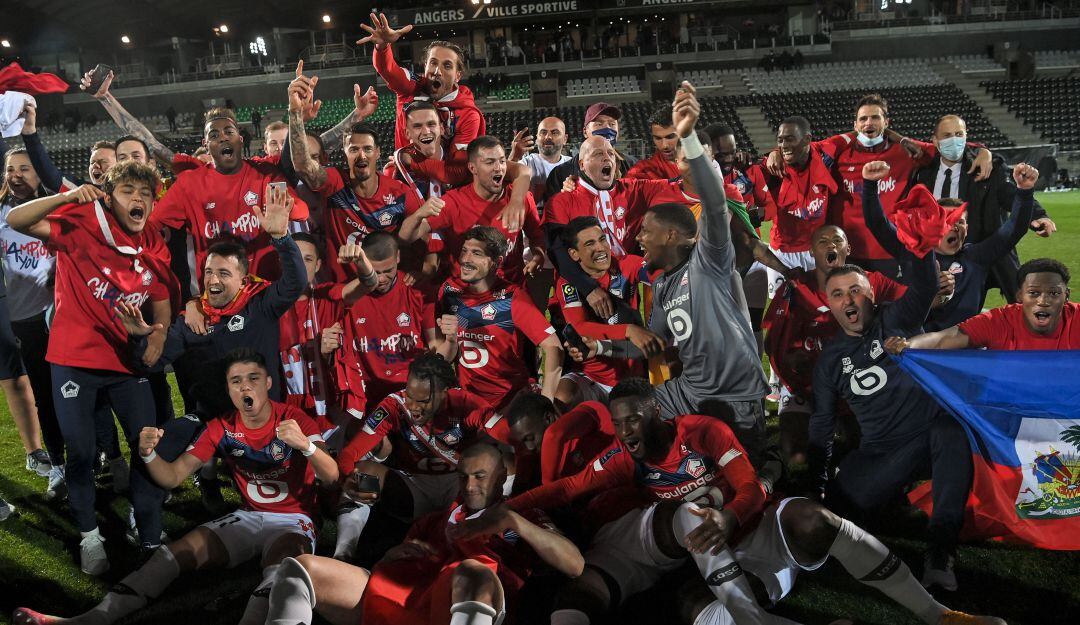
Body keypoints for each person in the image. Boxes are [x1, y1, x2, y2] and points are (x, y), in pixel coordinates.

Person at [507, 378, 1005, 625]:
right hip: (721, 558)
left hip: (760, 528)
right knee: (694, 607)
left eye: (634, 419)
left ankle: (938, 614)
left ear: (655, 411)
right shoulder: (624, 456)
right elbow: (569, 489)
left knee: (816, 519)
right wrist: (509, 508)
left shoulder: (703, 431)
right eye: (619, 424)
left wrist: (730, 514)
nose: (627, 432)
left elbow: (749, 486)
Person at [13, 348, 339, 625]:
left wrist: (306, 447)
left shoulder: (293, 419)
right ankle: (86, 620)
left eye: (253, 378)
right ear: (228, 389)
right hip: (249, 516)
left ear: (268, 383)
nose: (245, 388)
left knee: (282, 574)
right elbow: (172, 477)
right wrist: (148, 453)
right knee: (168, 557)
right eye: (235, 381)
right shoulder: (221, 426)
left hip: (295, 520)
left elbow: (332, 476)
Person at [808, 161, 973, 592]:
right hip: (883, 454)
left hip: (931, 437)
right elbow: (821, 426)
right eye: (839, 293)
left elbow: (922, 285)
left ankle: (940, 550)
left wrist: (921, 250)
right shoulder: (829, 361)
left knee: (951, 429)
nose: (849, 299)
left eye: (857, 291)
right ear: (828, 302)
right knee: (844, 513)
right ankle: (894, 504)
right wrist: (815, 486)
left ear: (871, 294)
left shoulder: (897, 319)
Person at [6, 161, 178, 571]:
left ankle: (145, 521)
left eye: (145, 194)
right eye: (128, 191)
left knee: (146, 446)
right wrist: (65, 197)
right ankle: (90, 537)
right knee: (81, 453)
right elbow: (16, 219)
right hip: (74, 361)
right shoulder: (82, 220)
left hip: (125, 361)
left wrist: (156, 335)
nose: (138, 199)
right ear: (109, 195)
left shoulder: (153, 237)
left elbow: (161, 299)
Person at [264, 442, 584, 625]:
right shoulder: (436, 520)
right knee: (301, 567)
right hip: (408, 600)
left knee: (471, 571)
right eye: (463, 477)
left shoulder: (524, 513)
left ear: (502, 479)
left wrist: (514, 522)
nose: (470, 486)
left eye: (481, 477)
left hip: (462, 607)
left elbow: (574, 565)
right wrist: (391, 556)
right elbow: (387, 574)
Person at [633, 83, 772, 479]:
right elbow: (650, 342)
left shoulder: (709, 261)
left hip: (736, 392)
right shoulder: (661, 288)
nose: (640, 238)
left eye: (647, 231)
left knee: (744, 481)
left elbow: (714, 203)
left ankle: (770, 470)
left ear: (672, 236)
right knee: (629, 414)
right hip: (691, 390)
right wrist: (594, 344)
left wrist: (690, 135)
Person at [118, 183, 304, 404]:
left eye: (224, 273)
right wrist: (139, 337)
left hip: (261, 422)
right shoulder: (193, 318)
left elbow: (296, 282)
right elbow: (149, 362)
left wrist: (282, 238)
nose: (213, 280)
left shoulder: (260, 304)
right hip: (213, 426)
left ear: (244, 281)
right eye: (208, 272)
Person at [330, 353, 507, 560]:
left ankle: (493, 546)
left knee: (506, 465)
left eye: (423, 400)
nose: (413, 406)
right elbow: (350, 453)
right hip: (412, 487)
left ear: (445, 392)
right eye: (410, 396)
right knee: (363, 475)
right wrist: (347, 479)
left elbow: (509, 435)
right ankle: (343, 554)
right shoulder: (394, 406)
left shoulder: (467, 404)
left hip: (459, 486)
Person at [764, 224, 907, 462]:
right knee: (796, 454)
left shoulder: (870, 282)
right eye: (823, 242)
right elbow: (771, 341)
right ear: (811, 252)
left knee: (864, 448)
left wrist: (940, 291)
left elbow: (913, 302)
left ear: (848, 249)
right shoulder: (796, 287)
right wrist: (789, 362)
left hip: (855, 383)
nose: (831, 245)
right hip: (806, 387)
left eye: (837, 241)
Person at [149, 107, 309, 283]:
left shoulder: (265, 173)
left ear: (240, 140)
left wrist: (286, 209)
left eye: (229, 132)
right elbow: (150, 227)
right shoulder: (189, 183)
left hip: (264, 290)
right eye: (214, 135)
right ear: (205, 145)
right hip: (217, 294)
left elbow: (301, 213)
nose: (223, 137)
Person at [913, 114, 1055, 303]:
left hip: (992, 250)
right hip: (949, 257)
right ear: (935, 141)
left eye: (958, 134)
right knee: (955, 311)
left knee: (1023, 304)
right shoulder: (923, 175)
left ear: (966, 137)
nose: (954, 140)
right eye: (947, 135)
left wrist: (1038, 215)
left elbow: (1009, 193)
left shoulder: (986, 167)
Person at [543, 136, 682, 322]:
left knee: (630, 344)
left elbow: (678, 186)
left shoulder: (632, 190)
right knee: (580, 346)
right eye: (598, 154)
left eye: (610, 153)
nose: (607, 157)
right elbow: (557, 250)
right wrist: (589, 289)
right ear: (582, 164)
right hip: (579, 296)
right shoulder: (562, 201)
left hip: (624, 295)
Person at [434, 226, 563, 408]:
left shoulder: (512, 298)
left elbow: (554, 347)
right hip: (468, 404)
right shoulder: (449, 291)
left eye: (476, 253)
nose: (465, 259)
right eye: (464, 251)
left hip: (509, 404)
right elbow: (443, 352)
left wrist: (546, 400)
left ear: (496, 261)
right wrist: (451, 343)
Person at [905, 163, 1038, 331]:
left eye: (959, 221)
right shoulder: (913, 261)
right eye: (946, 220)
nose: (954, 226)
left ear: (967, 229)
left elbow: (1013, 229)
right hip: (924, 345)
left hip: (968, 344)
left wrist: (1025, 191)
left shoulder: (976, 257)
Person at [320, 232, 438, 420]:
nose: (381, 279)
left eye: (387, 271)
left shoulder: (417, 291)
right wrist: (326, 352)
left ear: (398, 257)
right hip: (367, 399)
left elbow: (436, 346)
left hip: (411, 394)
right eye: (375, 272)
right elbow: (330, 354)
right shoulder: (347, 295)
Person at [399, 136, 545, 287]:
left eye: (502, 161)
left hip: (510, 288)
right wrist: (418, 215)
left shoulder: (521, 198)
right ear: (472, 168)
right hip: (466, 293)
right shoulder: (453, 202)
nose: (498, 167)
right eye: (489, 162)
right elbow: (405, 237)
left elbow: (536, 237)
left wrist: (538, 256)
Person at [554, 216, 660, 407]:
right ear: (574, 254)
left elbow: (660, 275)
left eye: (602, 239)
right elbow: (580, 327)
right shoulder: (567, 284)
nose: (601, 248)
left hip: (630, 376)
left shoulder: (628, 265)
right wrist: (628, 330)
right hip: (591, 376)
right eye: (590, 244)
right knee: (562, 396)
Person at [888, 258, 1080, 352]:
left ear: (1066, 296)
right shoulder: (1000, 321)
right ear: (1019, 296)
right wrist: (908, 345)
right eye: (1034, 293)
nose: (1043, 301)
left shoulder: (1076, 317)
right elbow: (943, 339)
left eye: (1054, 293)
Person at [359, 12, 485, 151]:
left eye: (447, 66)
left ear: (458, 76)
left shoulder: (469, 115)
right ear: (425, 67)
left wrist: (406, 161)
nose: (437, 71)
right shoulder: (412, 87)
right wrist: (383, 46)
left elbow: (458, 167)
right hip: (403, 173)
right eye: (433, 63)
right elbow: (389, 71)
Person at [504, 392, 615, 489]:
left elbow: (553, 434)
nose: (530, 447)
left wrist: (549, 489)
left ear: (548, 418)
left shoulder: (587, 414)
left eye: (530, 438)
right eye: (523, 442)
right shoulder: (532, 457)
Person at [544, 102, 639, 200]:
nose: (607, 128)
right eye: (599, 123)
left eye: (612, 124)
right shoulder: (560, 174)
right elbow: (553, 211)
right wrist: (565, 198)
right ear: (585, 131)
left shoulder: (634, 165)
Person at [510, 116, 571, 210]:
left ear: (565, 139)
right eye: (543, 132)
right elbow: (503, 181)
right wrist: (515, 155)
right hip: (533, 220)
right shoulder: (527, 162)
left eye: (555, 133)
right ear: (537, 137)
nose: (548, 137)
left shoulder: (571, 164)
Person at [625, 106, 681, 180]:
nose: (664, 146)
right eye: (658, 138)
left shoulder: (699, 162)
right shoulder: (641, 172)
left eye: (670, 137)